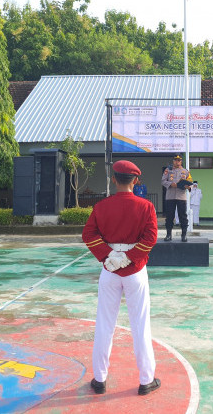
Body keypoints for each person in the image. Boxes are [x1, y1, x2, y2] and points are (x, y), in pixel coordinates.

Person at [82, 160, 160, 396]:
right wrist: (130, 257)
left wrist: (110, 256)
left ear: (113, 179)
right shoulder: (146, 207)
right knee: (140, 325)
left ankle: (99, 379)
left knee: (104, 324)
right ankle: (146, 381)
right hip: (135, 270)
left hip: (109, 269)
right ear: (135, 181)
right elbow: (150, 238)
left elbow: (88, 234)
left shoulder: (101, 207)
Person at [161, 156, 192, 241]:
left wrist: (187, 186)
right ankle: (168, 234)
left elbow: (191, 184)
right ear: (173, 161)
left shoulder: (185, 172)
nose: (177, 162)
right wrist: (171, 184)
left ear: (181, 161)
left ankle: (184, 235)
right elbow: (163, 181)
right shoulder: (168, 170)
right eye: (175, 160)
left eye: (179, 160)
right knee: (169, 216)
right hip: (170, 196)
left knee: (183, 216)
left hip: (181, 197)